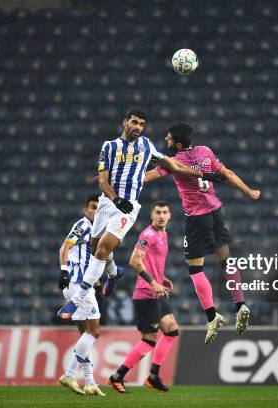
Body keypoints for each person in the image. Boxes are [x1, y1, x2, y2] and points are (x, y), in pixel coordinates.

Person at [58, 108, 221, 319]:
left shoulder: (146, 145)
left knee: (102, 250)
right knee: (94, 246)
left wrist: (202, 174)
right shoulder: (109, 147)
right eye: (134, 122)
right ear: (125, 122)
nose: (138, 127)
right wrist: (116, 199)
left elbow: (171, 164)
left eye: (142, 124)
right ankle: (114, 273)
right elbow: (103, 181)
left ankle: (76, 300)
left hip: (129, 208)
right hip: (108, 203)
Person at [144, 122, 261, 344]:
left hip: (197, 218)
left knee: (195, 268)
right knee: (226, 261)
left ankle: (212, 316)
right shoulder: (205, 151)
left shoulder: (174, 162)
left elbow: (149, 176)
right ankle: (240, 304)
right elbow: (226, 173)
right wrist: (249, 191)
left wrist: (126, 179)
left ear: (177, 143)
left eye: (169, 138)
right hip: (216, 211)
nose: (166, 141)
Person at [107, 201, 178, 393]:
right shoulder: (148, 235)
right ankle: (117, 376)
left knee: (171, 330)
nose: (162, 215)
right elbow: (134, 260)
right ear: (151, 216)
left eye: (165, 212)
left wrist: (161, 278)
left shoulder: (164, 235)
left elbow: (150, 263)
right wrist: (153, 282)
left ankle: (153, 376)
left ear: (169, 215)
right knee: (149, 340)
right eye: (158, 212)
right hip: (146, 294)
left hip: (157, 292)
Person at [57, 193, 114, 397]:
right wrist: (63, 270)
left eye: (98, 207)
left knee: (85, 335)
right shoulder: (83, 225)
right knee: (94, 332)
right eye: (92, 207)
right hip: (78, 285)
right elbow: (65, 246)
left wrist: (98, 281)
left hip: (81, 284)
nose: (95, 210)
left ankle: (89, 382)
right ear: (85, 209)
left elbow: (90, 259)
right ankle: (69, 374)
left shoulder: (98, 230)